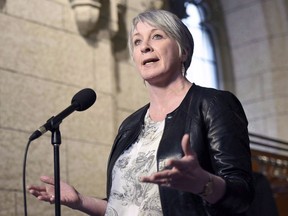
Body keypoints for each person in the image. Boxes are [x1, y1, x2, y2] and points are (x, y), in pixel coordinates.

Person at [28, 9, 254, 216]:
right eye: (137, 41)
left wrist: (204, 183)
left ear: (183, 51)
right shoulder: (131, 124)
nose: (145, 46)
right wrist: (80, 201)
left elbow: (242, 195)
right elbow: (126, 205)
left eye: (157, 36)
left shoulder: (213, 104)